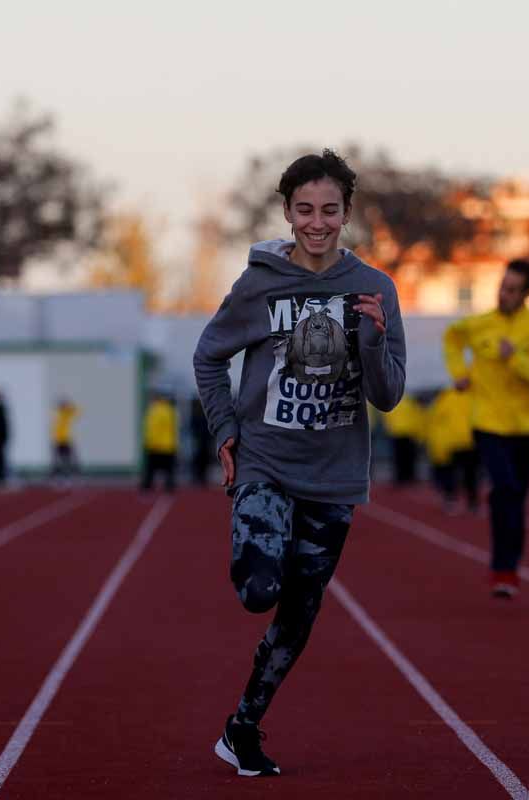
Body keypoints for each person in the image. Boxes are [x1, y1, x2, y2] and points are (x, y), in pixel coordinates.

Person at [193, 149, 406, 777]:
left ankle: (242, 728)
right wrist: (225, 430)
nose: (317, 221)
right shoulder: (259, 284)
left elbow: (388, 396)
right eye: (305, 209)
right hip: (265, 462)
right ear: (287, 212)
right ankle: (261, 537)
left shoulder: (376, 288)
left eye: (330, 210)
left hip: (335, 478)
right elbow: (208, 358)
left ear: (346, 214)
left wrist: (371, 337)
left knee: (298, 616)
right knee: (259, 589)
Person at [443, 258, 529, 598]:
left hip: (527, 427)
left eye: (511, 290)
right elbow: (452, 339)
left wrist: (518, 359)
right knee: (506, 488)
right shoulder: (479, 324)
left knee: (513, 498)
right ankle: (502, 568)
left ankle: (509, 567)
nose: (503, 294)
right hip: (488, 423)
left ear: (526, 294)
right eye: (502, 286)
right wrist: (459, 373)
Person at [426, 385, 478, 515]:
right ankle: (453, 499)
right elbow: (437, 421)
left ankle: (471, 502)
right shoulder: (446, 398)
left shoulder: (472, 396)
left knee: (469, 474)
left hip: (468, 442)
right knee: (455, 473)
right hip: (455, 442)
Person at [382, 392, 424, 484]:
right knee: (403, 457)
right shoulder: (411, 398)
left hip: (406, 431)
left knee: (405, 457)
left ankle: (404, 477)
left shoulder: (399, 397)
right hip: (402, 431)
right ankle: (404, 477)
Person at [140, 392, 178, 492]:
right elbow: (175, 427)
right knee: (169, 470)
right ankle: (169, 488)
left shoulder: (153, 410)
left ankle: (146, 488)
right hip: (168, 445)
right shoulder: (170, 410)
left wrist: (147, 442)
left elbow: (149, 428)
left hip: (155, 444)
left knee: (150, 469)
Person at [50, 398, 79, 478]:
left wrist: (69, 405)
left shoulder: (67, 413)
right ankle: (57, 473)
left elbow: (77, 411)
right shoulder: (57, 413)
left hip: (66, 440)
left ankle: (72, 472)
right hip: (58, 440)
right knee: (57, 459)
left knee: (68, 458)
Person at [189, 397, 212, 486]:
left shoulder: (202, 414)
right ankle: (199, 477)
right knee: (199, 460)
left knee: (202, 460)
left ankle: (201, 477)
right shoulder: (202, 415)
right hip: (200, 440)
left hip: (202, 440)